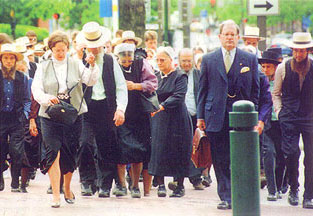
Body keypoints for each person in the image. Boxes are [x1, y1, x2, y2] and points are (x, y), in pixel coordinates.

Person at [32, 30, 99, 208]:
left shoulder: (76, 63)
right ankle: (55, 194)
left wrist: (92, 65)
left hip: (72, 115)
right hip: (49, 115)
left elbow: (90, 80)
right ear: (51, 50)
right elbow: (36, 89)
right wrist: (47, 98)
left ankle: (67, 188)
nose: (60, 53)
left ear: (68, 48)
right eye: (57, 50)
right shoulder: (43, 66)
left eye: (63, 50)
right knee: (53, 151)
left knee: (70, 152)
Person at [197, 20, 259, 210]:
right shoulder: (209, 59)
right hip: (215, 116)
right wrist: (200, 117)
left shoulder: (249, 59)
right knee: (220, 158)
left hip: (240, 118)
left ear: (238, 37)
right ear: (220, 36)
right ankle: (225, 196)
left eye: (233, 34)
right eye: (227, 34)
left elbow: (255, 90)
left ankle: (239, 193)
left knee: (239, 158)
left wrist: (253, 116)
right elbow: (202, 90)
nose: (230, 37)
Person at [76, 21, 128, 198]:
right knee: (84, 144)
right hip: (85, 109)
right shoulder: (78, 61)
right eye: (91, 47)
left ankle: (105, 184)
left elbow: (121, 87)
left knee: (107, 146)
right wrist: (85, 64)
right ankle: (87, 181)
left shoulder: (110, 60)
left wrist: (120, 109)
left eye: (97, 46)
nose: (94, 50)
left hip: (106, 108)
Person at [273, 32, 313, 209]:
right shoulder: (283, 68)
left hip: (309, 116)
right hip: (289, 116)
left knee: (311, 157)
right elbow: (276, 93)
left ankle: (309, 195)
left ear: (308, 51)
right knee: (291, 153)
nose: (298, 54)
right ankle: (293, 188)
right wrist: (280, 111)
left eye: (302, 51)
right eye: (296, 51)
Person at [114, 43, 157, 198]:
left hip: (139, 112)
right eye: (123, 59)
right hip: (121, 112)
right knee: (120, 149)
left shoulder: (141, 63)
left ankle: (135, 186)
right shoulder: (113, 65)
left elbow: (153, 83)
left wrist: (136, 86)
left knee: (138, 149)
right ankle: (121, 185)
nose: (127, 62)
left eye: (129, 58)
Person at [149, 46, 193, 198]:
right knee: (159, 149)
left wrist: (162, 105)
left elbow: (179, 95)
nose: (160, 63)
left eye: (163, 60)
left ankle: (179, 185)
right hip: (160, 118)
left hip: (177, 118)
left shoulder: (180, 76)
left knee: (179, 150)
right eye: (158, 60)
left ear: (171, 60)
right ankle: (160, 183)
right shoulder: (155, 76)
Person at [167, 48, 205, 191]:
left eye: (189, 60)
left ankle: (196, 178)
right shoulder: (175, 75)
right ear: (179, 61)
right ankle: (177, 180)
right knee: (180, 148)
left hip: (196, 116)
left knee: (197, 147)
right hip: (180, 116)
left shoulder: (199, 75)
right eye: (184, 61)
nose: (187, 63)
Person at [0, 43, 31, 193]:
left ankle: (15, 182)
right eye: (5, 58)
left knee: (17, 151)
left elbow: (27, 99)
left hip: (16, 118)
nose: (8, 61)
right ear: (1, 59)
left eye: (11, 58)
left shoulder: (22, 77)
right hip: (1, 118)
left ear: (15, 60)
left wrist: (25, 114)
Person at [258, 50, 285, 201]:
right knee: (268, 153)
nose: (265, 69)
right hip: (266, 123)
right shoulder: (261, 81)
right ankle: (271, 189)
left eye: (269, 66)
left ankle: (280, 185)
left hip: (280, 123)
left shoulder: (283, 80)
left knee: (281, 155)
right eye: (263, 66)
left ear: (276, 67)